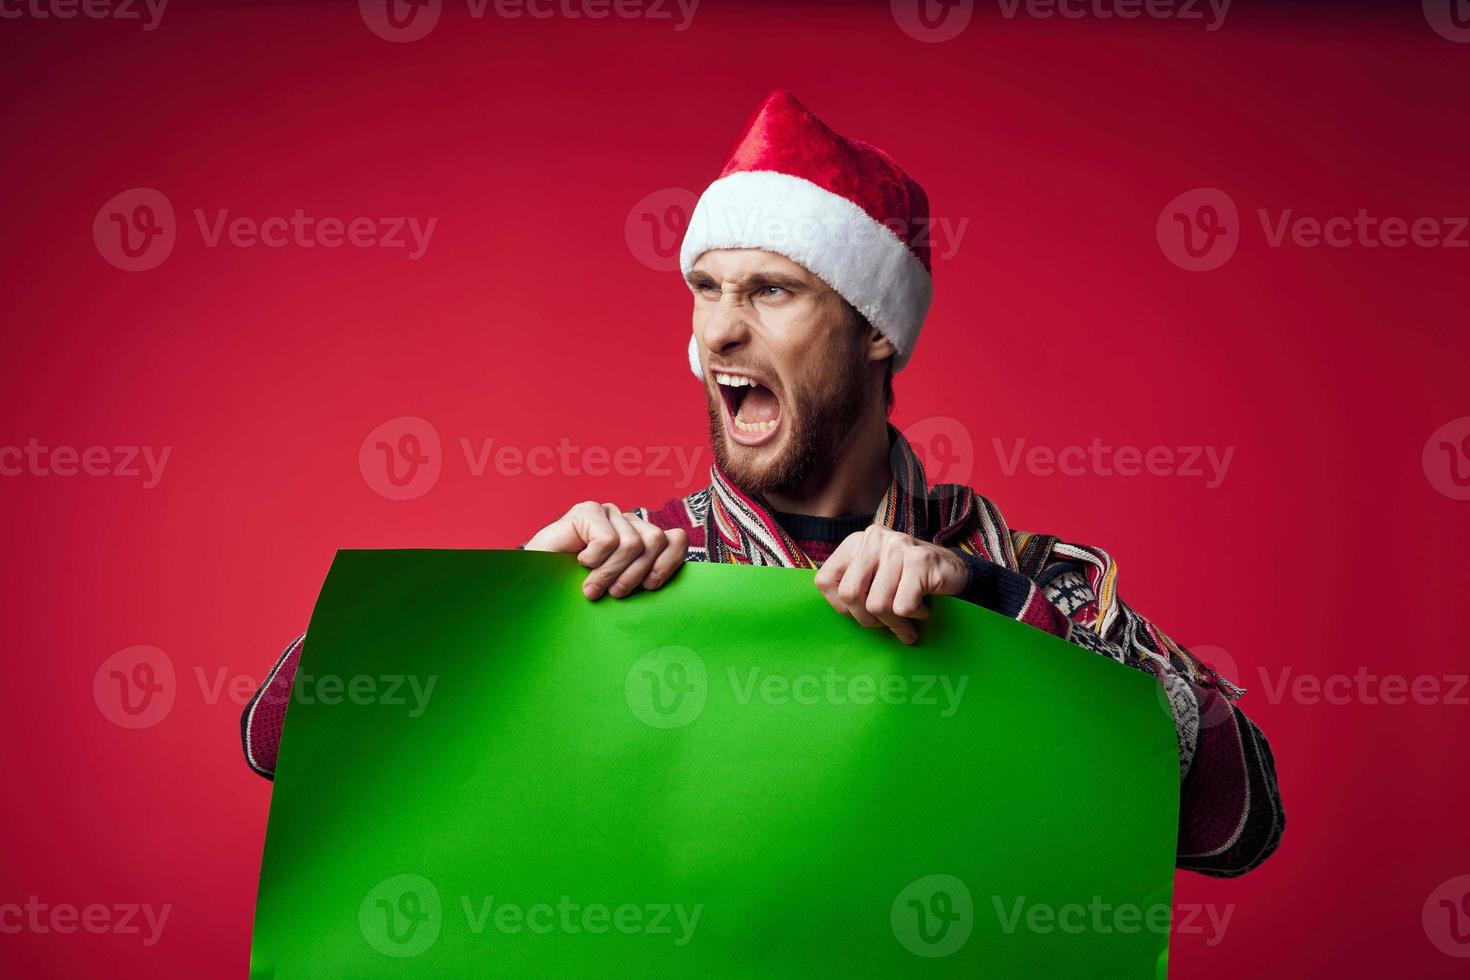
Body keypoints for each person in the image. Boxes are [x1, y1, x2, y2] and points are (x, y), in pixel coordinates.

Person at [242, 90, 1283, 878]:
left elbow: (1241, 822)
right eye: (706, 290)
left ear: (877, 328)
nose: (722, 329)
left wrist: (995, 609)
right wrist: (505, 606)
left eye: (772, 290)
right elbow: (281, 741)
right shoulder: (624, 571)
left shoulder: (1022, 578)